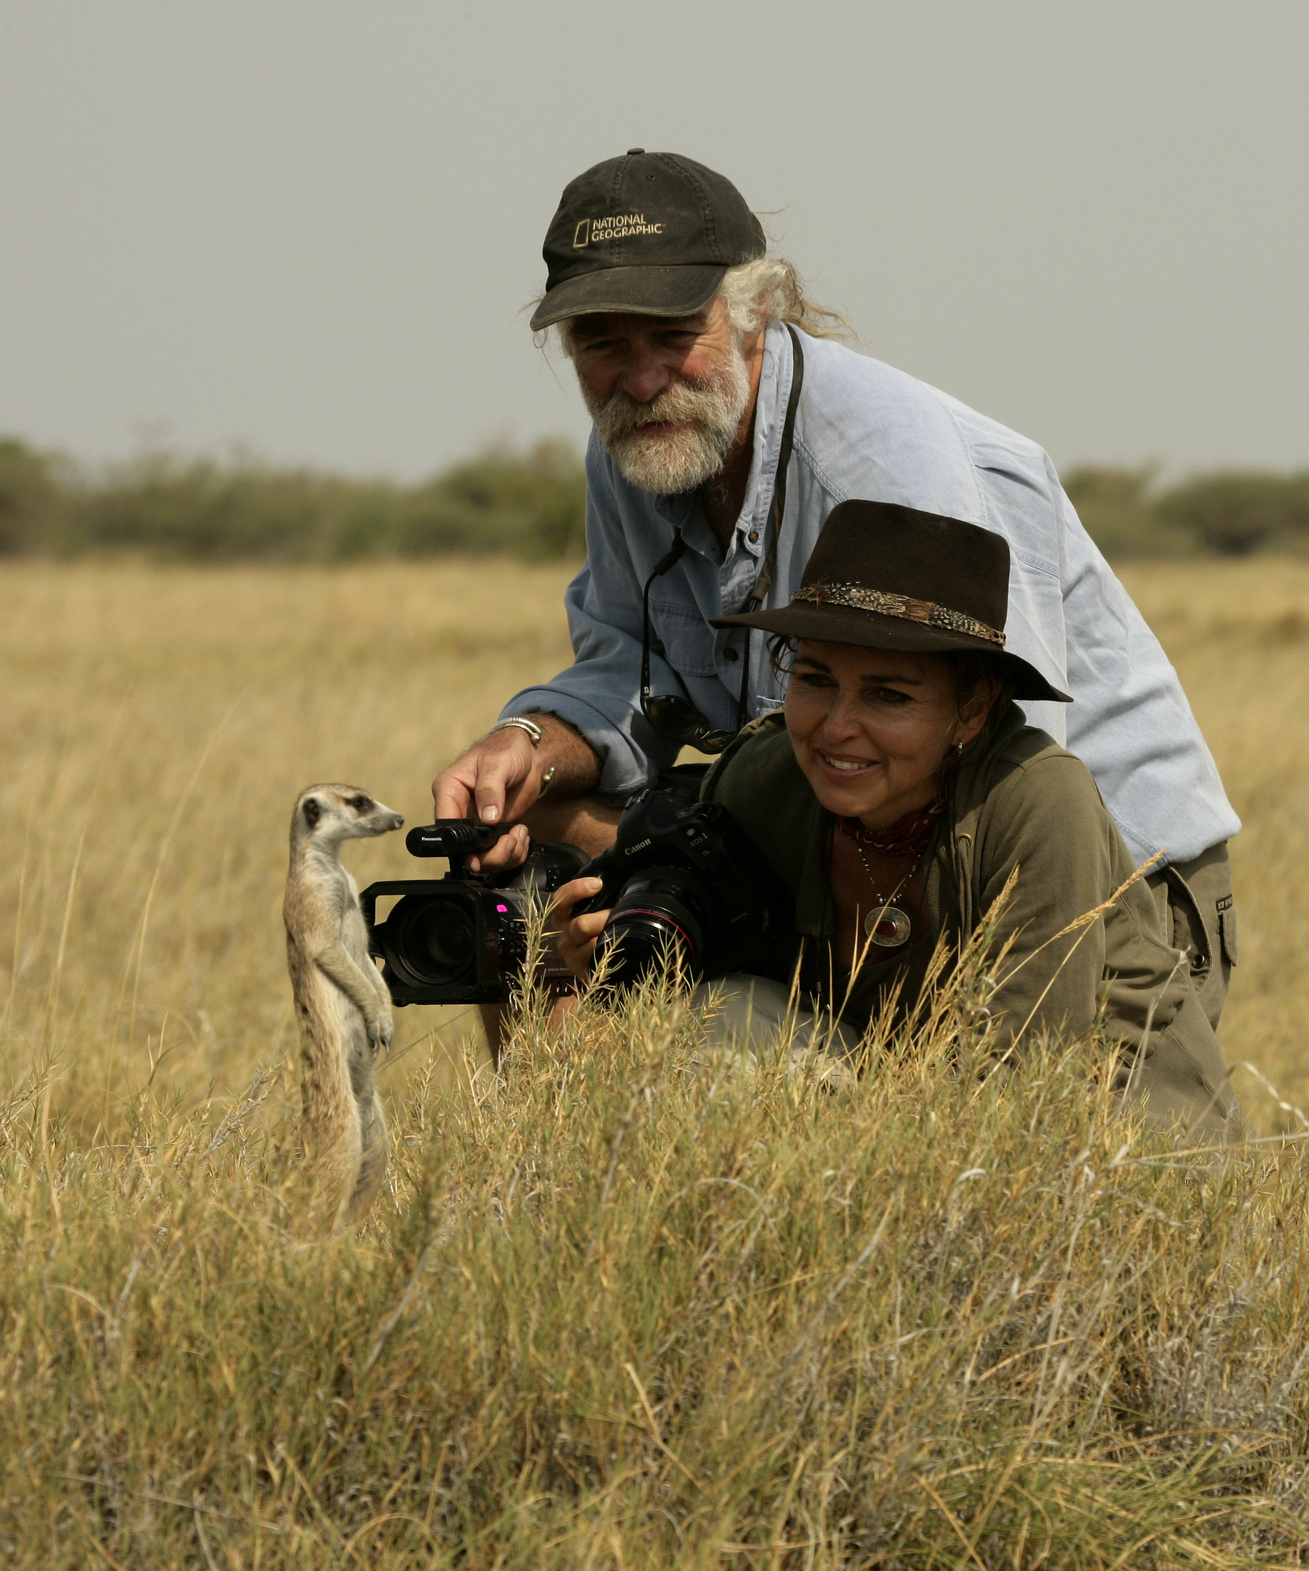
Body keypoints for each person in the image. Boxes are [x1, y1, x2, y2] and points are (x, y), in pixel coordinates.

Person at [433, 149, 1241, 1034]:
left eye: (673, 334)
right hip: (845, 833)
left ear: (756, 311)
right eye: (603, 344)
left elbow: (1017, 789)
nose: (642, 379)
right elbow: (630, 666)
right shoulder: (636, 442)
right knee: (522, 842)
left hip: (1090, 887)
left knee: (779, 1053)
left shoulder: (897, 472)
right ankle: (553, 1121)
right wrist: (529, 743)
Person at [545, 501, 1244, 1141]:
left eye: (888, 695)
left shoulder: (1036, 797)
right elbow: (717, 1006)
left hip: (1107, 1141)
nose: (836, 727)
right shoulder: (764, 781)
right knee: (708, 1016)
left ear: (973, 709)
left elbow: (1024, 1094)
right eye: (814, 679)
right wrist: (619, 971)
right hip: (891, 1109)